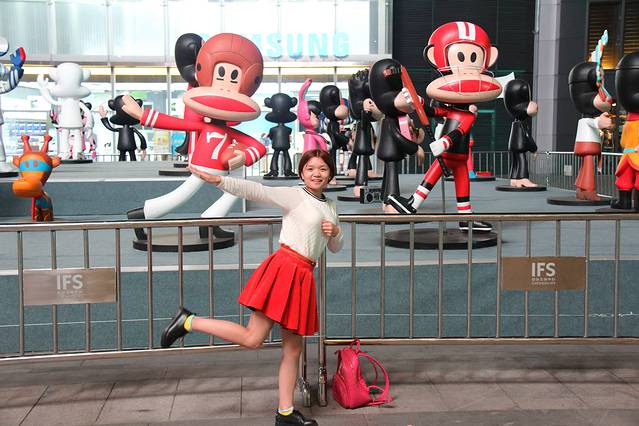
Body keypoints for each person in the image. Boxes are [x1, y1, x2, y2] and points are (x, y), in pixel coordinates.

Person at [161, 149, 343, 426]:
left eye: (322, 169)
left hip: (304, 275)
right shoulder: (295, 195)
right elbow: (257, 190)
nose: (316, 174)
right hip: (285, 269)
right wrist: (218, 180)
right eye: (310, 168)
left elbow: (335, 247)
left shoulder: (330, 206)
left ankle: (285, 413)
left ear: (330, 173)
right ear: (302, 172)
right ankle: (188, 321)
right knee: (252, 338)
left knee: (293, 349)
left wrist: (336, 233)